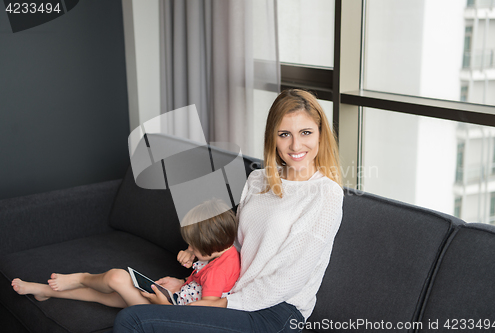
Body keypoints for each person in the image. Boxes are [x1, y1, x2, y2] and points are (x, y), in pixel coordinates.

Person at [113, 88, 345, 332]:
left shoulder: (325, 194)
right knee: (137, 306)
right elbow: (232, 248)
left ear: (320, 134)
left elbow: (289, 279)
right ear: (272, 138)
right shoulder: (258, 179)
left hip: (277, 312)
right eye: (284, 134)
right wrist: (188, 284)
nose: (296, 144)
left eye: (306, 132)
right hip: (233, 294)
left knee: (133, 319)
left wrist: (216, 304)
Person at [11, 199, 240, 308]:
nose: (188, 249)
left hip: (170, 312)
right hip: (173, 298)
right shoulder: (219, 252)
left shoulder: (221, 269)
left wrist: (166, 306)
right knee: (105, 296)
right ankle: (44, 291)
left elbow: (210, 304)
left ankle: (80, 276)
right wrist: (181, 281)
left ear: (211, 246)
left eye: (192, 246)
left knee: (116, 277)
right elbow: (199, 283)